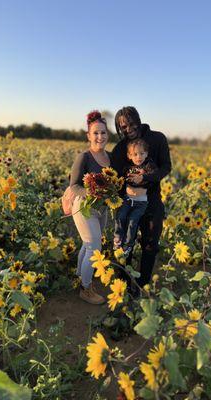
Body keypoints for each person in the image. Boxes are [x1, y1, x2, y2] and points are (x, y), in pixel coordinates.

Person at [111, 106, 172, 290]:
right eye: (123, 127)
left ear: (138, 120)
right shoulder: (120, 148)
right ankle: (123, 284)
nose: (128, 129)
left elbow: (166, 167)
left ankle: (142, 284)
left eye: (131, 124)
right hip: (127, 202)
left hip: (152, 201)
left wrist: (145, 178)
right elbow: (113, 176)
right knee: (124, 244)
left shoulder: (157, 138)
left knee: (150, 244)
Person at [70, 110, 110, 305]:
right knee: (94, 248)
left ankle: (80, 276)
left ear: (107, 135)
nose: (99, 137)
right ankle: (86, 289)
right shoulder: (84, 157)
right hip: (84, 207)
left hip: (102, 209)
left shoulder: (110, 158)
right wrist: (90, 193)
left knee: (88, 245)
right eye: (95, 133)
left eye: (103, 133)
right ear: (88, 135)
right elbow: (74, 186)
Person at [114, 138, 157, 256]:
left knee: (133, 222)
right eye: (135, 154)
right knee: (121, 216)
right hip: (127, 199)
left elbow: (154, 175)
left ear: (146, 154)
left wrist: (144, 176)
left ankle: (128, 244)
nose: (139, 157)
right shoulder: (127, 168)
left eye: (142, 153)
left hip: (141, 203)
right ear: (129, 156)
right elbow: (122, 178)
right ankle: (118, 238)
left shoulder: (148, 167)